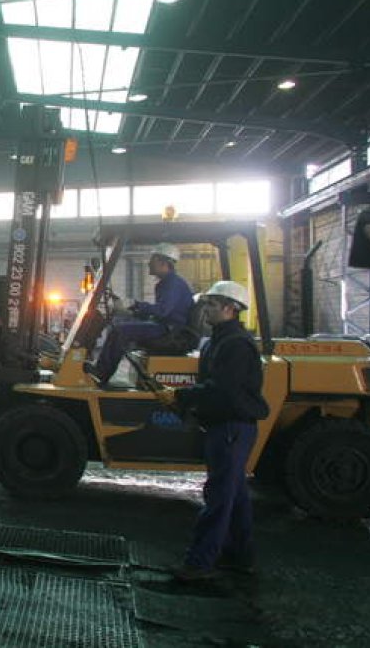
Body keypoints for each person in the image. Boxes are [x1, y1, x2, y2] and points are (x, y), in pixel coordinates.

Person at [155, 280, 269, 582]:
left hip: (231, 427)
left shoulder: (235, 345)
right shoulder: (217, 340)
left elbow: (222, 390)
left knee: (219, 497)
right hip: (226, 426)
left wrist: (181, 395)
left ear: (231, 309)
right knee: (236, 496)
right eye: (206, 304)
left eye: (213, 305)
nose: (207, 310)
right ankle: (241, 557)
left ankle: (199, 563)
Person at [88, 243, 195, 385]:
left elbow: (162, 311)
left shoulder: (173, 283)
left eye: (153, 260)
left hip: (171, 330)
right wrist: (132, 310)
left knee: (120, 331)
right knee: (120, 325)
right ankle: (101, 370)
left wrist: (135, 304)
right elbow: (160, 312)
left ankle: (101, 373)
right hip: (166, 326)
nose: (149, 264)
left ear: (163, 262)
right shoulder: (167, 283)